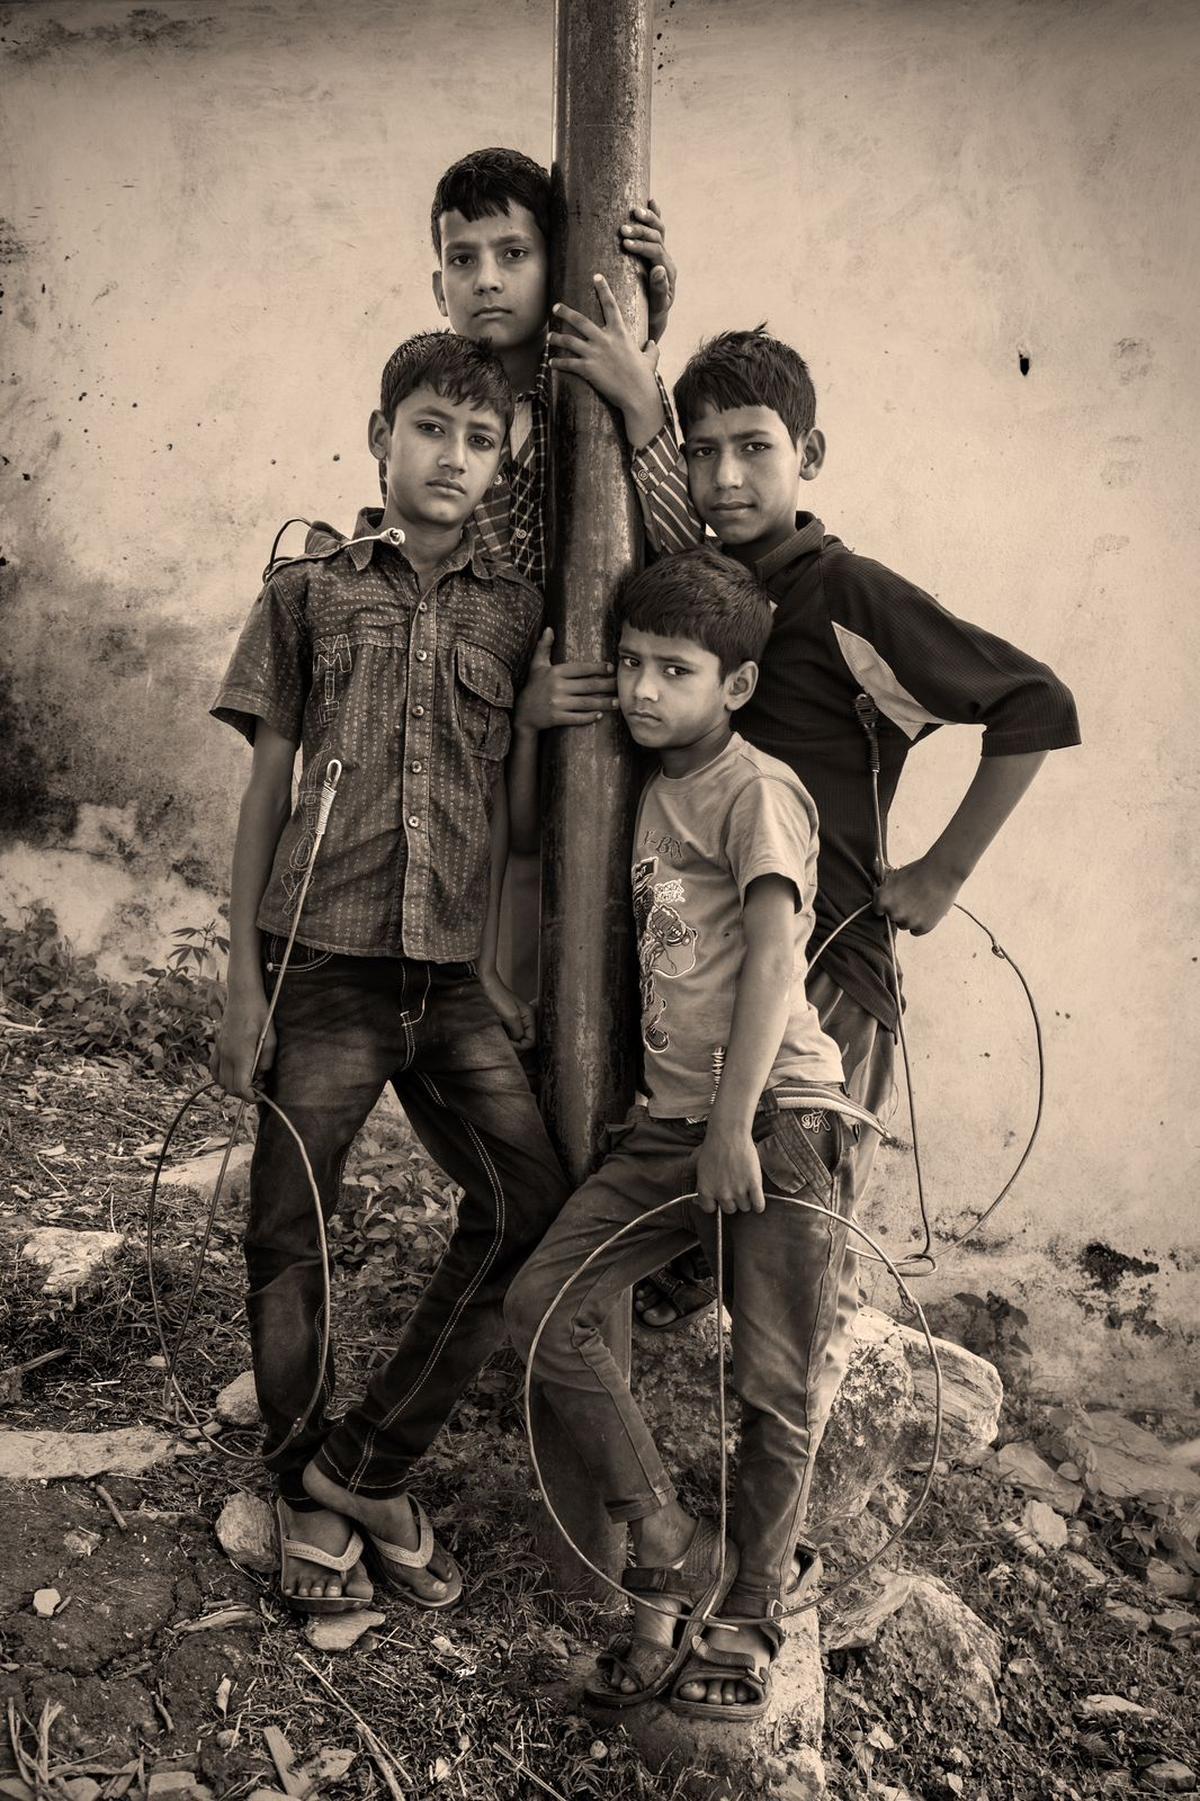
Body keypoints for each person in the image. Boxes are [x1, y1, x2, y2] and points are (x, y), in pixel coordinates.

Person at [546, 310, 1080, 1355]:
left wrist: (940, 872)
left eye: (756, 449)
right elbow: (664, 529)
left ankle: (795, 1493)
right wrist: (649, 410)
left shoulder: (848, 594)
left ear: (812, 455)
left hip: (827, 972)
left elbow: (1035, 703)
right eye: (703, 455)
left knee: (791, 1274)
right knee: (703, 1222)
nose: (726, 478)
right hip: (707, 977)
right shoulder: (721, 596)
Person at [209, 331, 571, 1616]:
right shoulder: (310, 592)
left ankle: (366, 1461)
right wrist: (245, 976)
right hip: (323, 967)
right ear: (380, 436)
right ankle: (305, 1487)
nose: (453, 458)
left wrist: (527, 729)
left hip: (452, 982)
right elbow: (264, 793)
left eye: (480, 441)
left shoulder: (518, 607)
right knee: (287, 1226)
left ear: (504, 461)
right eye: (430, 429)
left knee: (530, 1207)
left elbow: (521, 823)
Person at [506, 548, 864, 1721]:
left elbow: (772, 956)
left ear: (738, 687)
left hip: (776, 1118)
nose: (646, 691)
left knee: (769, 1384)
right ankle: (668, 1540)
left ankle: (749, 1611)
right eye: (634, 668)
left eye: (677, 670)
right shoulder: (649, 784)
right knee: (545, 1310)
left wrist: (730, 1125)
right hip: (670, 1125)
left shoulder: (758, 789)